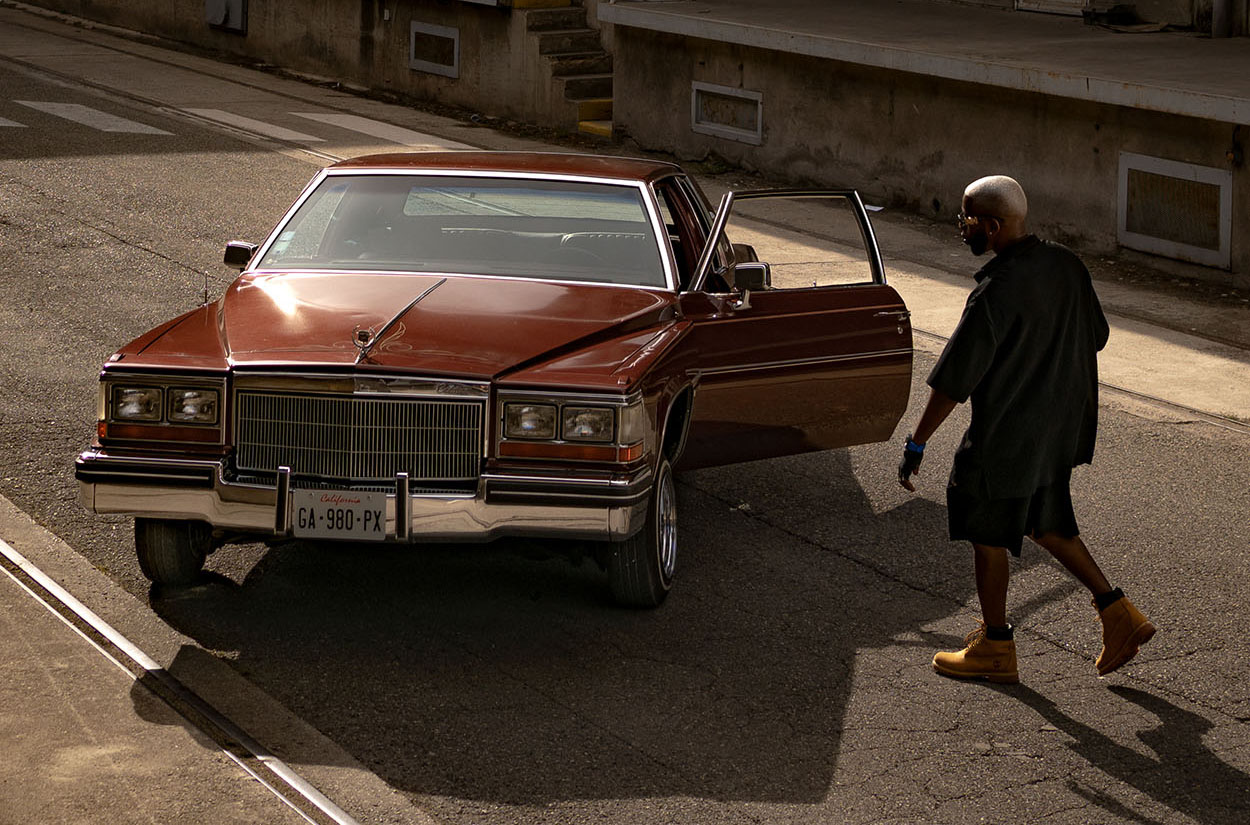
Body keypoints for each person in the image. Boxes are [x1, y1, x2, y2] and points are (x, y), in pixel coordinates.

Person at [898, 174, 1154, 685]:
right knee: (1048, 522)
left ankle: (995, 646)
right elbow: (1096, 336)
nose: (962, 228)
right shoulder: (1067, 265)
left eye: (967, 220)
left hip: (1007, 437)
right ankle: (1119, 614)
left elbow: (954, 381)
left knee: (984, 526)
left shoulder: (994, 293)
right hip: (1056, 430)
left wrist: (917, 440)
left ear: (992, 226)